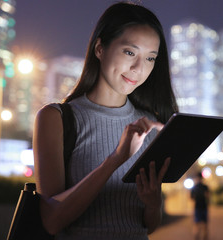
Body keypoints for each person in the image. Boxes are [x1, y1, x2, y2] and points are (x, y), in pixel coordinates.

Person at [33, 2, 178, 239]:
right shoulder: (57, 118)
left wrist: (153, 204)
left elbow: (147, 227)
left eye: (150, 58)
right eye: (130, 52)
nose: (138, 68)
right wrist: (116, 159)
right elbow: (52, 221)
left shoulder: (151, 124)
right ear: (100, 49)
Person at [190, 172, 210, 240]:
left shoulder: (194, 187)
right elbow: (208, 196)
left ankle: (196, 238)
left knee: (196, 225)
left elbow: (191, 198)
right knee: (205, 225)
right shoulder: (205, 187)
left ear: (196, 178)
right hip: (204, 207)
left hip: (197, 207)